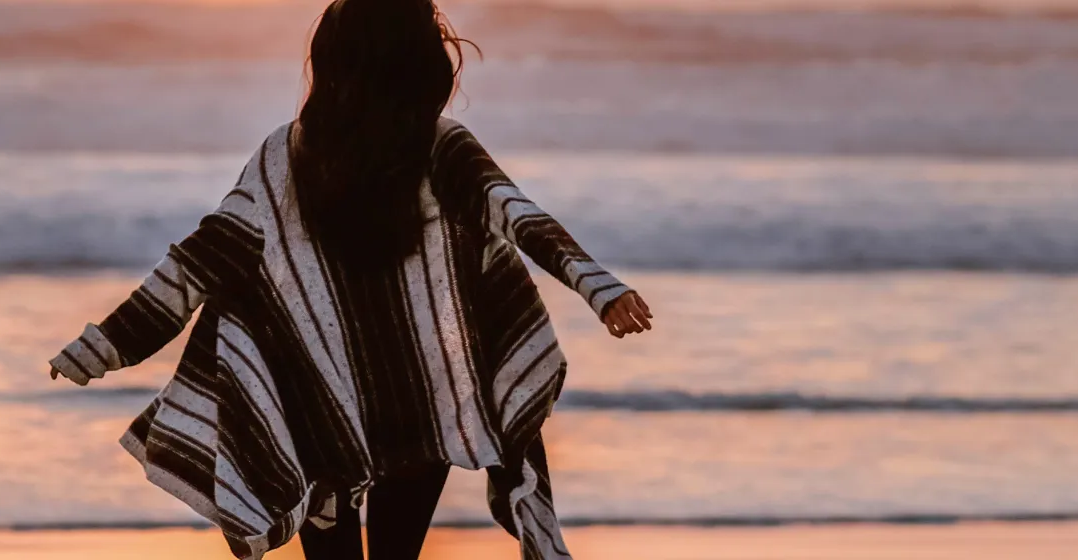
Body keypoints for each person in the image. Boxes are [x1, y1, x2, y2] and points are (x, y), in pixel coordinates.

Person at [44, 1, 652, 558]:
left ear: (331, 59)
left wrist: (101, 347)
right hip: (421, 405)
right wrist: (601, 288)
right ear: (420, 64)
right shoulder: (431, 146)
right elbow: (517, 214)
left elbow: (196, 264)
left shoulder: (288, 154)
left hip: (319, 407)